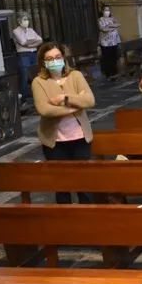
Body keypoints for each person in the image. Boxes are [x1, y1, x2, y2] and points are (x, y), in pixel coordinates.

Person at [31, 42, 96, 204]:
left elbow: (89, 101)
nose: (54, 61)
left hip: (80, 138)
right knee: (61, 185)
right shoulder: (39, 82)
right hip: (55, 142)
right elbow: (45, 110)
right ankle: (65, 215)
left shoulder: (76, 76)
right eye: (49, 59)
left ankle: (87, 214)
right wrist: (75, 105)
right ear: (43, 62)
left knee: (84, 183)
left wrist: (64, 98)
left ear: (63, 58)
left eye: (57, 57)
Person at [12, 10, 42, 108]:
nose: (27, 21)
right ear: (19, 21)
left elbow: (40, 40)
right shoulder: (16, 31)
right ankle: (23, 100)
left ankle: (39, 97)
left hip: (33, 54)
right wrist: (32, 42)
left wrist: (29, 44)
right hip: (23, 55)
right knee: (24, 77)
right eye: (24, 19)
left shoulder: (31, 30)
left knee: (37, 75)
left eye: (27, 19)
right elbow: (23, 42)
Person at [98, 3, 121, 80]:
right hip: (105, 43)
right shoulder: (100, 20)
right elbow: (104, 29)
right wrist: (113, 27)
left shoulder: (112, 19)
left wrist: (109, 26)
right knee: (107, 59)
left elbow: (118, 24)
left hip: (114, 42)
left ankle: (114, 74)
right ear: (102, 11)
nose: (107, 12)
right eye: (106, 10)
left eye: (108, 10)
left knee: (114, 58)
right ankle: (108, 74)